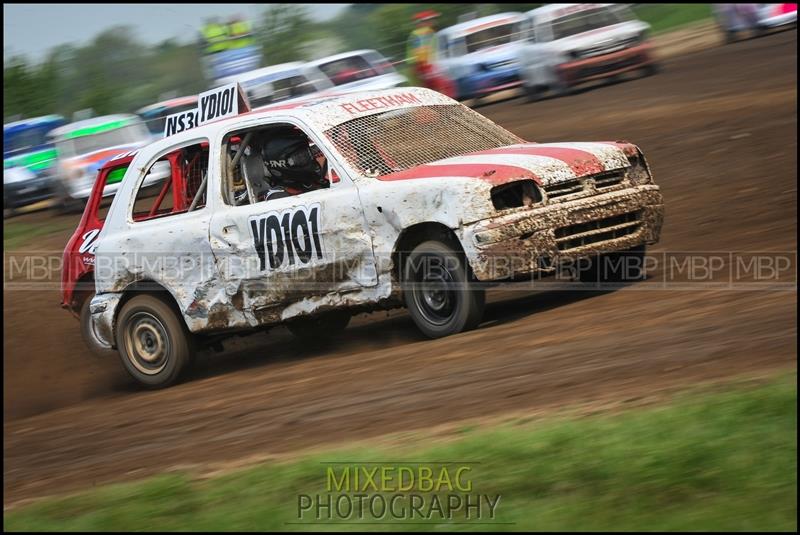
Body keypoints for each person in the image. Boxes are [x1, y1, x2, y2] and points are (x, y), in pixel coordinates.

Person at [405, 10, 456, 98]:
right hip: (425, 66)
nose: (434, 21)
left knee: (429, 90)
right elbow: (421, 52)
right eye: (431, 19)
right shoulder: (425, 33)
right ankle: (448, 108)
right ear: (423, 22)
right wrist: (426, 68)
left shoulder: (418, 33)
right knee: (445, 86)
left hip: (423, 66)